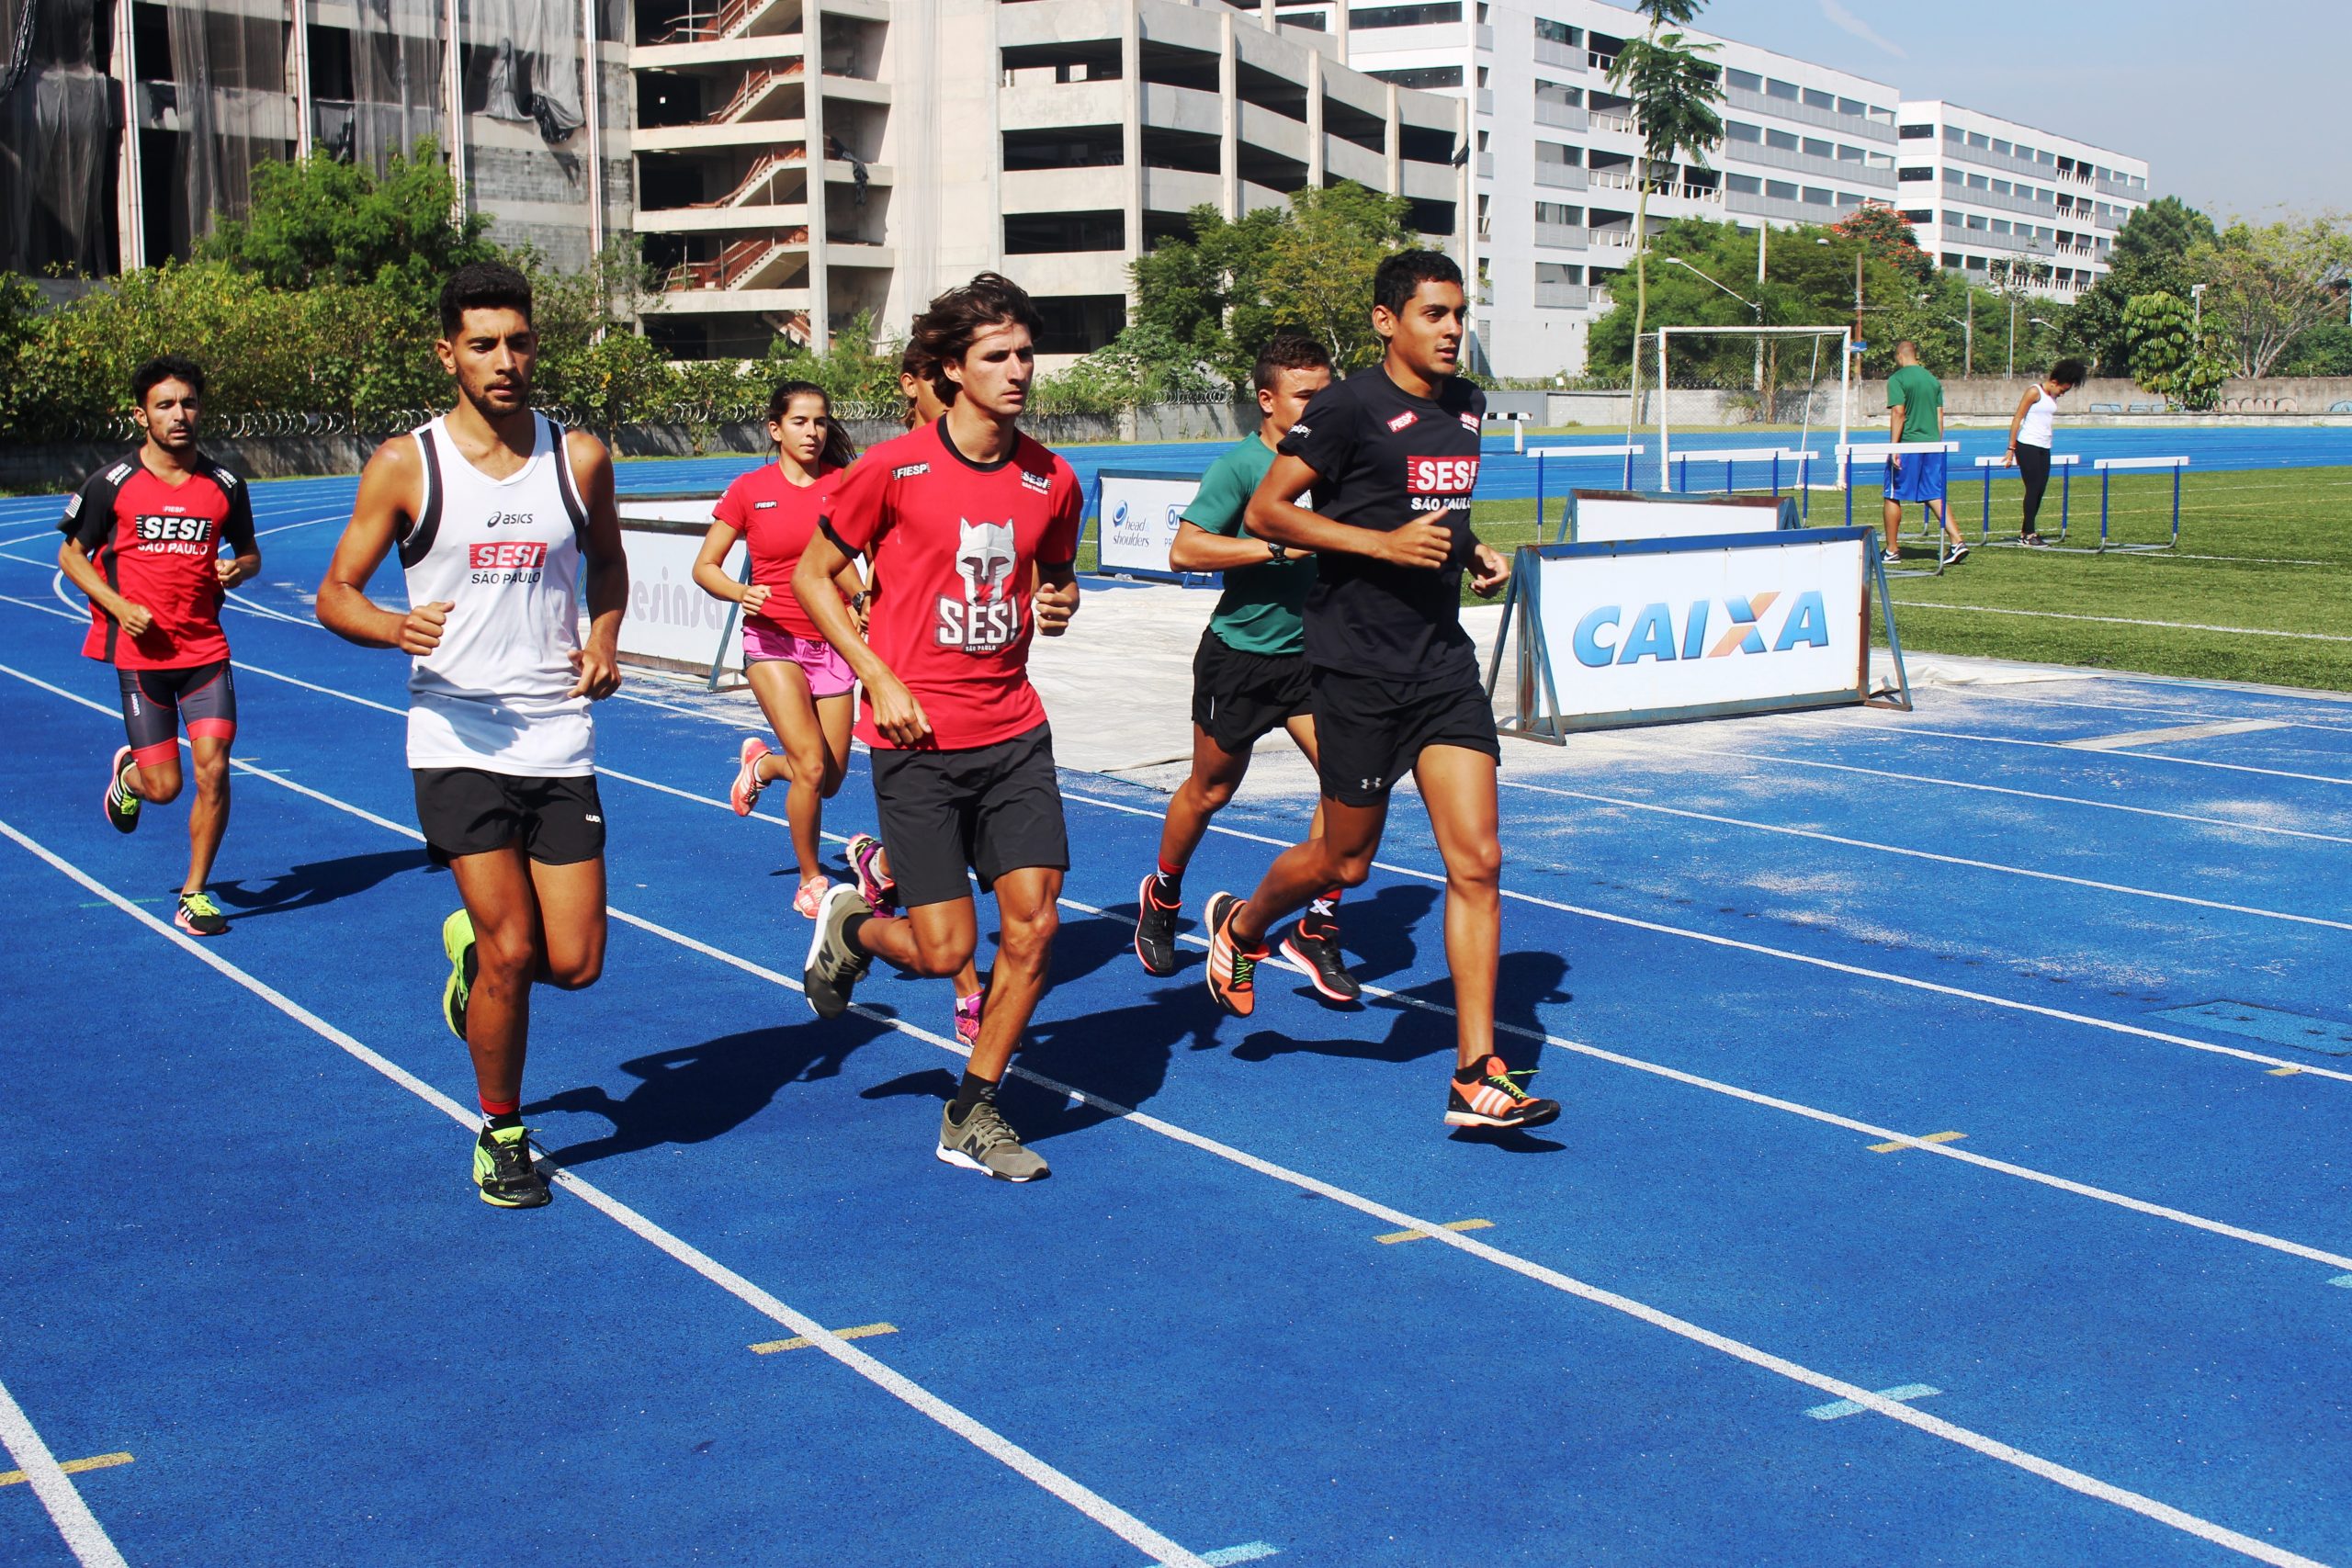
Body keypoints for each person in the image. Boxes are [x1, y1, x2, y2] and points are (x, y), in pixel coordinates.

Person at [1200, 249, 1560, 1135]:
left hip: (1440, 664)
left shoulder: (1469, 406)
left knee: (1477, 861)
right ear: (1385, 321)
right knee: (1344, 862)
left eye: (1458, 312)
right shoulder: (1348, 406)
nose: (1450, 328)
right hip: (1355, 669)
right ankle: (1245, 928)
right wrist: (1383, 548)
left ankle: (1477, 1075)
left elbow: (1439, 506)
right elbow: (1269, 514)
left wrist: (1471, 550)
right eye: (1433, 313)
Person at [315, 262, 629, 1210]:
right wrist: (389, 625)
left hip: (554, 736)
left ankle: (469, 967)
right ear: (446, 352)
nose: (505, 360)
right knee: (510, 947)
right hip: (454, 736)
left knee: (572, 963)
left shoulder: (578, 460)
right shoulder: (406, 463)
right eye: (484, 344)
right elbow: (336, 592)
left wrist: (605, 638)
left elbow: (609, 565)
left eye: (519, 342)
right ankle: (502, 1130)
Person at [794, 273, 1083, 1182]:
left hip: (1013, 733)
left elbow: (1057, 576)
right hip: (917, 743)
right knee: (944, 950)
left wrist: (1061, 598)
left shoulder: (1052, 477)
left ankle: (974, 1107)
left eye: (1025, 354)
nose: (1016, 371)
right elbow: (811, 577)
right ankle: (853, 924)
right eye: (995, 356)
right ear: (952, 370)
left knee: (1034, 932)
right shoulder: (894, 469)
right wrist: (875, 673)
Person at [1133, 331, 1360, 1003]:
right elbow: (1184, 549)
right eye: (1305, 396)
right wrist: (1274, 550)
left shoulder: (1338, 463)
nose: (1320, 408)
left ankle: (1318, 925)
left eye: (1328, 394)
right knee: (1210, 788)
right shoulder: (1241, 466)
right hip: (1241, 656)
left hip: (1317, 659)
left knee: (1348, 789)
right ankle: (1165, 893)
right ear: (1268, 400)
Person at [59, 355, 260, 938]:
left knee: (215, 771)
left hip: (205, 654)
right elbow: (70, 554)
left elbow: (250, 552)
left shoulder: (224, 486)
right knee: (166, 789)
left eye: (189, 403)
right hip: (143, 660)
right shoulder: (112, 485)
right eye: (165, 405)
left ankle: (193, 894)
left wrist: (238, 568)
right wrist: (118, 606)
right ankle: (130, 777)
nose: (179, 414)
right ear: (142, 414)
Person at [699, 380, 865, 915]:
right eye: (799, 422)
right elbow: (705, 567)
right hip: (772, 640)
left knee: (830, 781)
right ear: (776, 429)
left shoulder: (843, 486)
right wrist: (741, 591)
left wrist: (863, 603)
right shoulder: (750, 490)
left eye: (820, 421)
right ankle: (811, 880)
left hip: (832, 641)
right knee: (812, 767)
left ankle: (765, 767)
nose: (812, 432)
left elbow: (841, 567)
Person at [1882, 340, 1964, 566]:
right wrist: (1936, 443)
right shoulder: (1932, 380)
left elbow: (1899, 412)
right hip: (1932, 445)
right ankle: (1957, 540)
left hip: (1908, 444)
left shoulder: (1897, 379)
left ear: (1899, 356)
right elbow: (1940, 416)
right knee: (1933, 493)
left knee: (1892, 494)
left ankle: (1892, 549)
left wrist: (1893, 447)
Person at [2001, 357, 2087, 547]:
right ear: (2055, 382)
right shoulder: (2034, 392)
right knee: (2032, 488)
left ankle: (2026, 531)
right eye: (2063, 390)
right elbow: (2017, 418)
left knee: (2040, 489)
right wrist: (2011, 448)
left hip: (2044, 446)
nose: (2063, 393)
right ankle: (2029, 534)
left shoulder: (2052, 396)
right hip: (2028, 445)